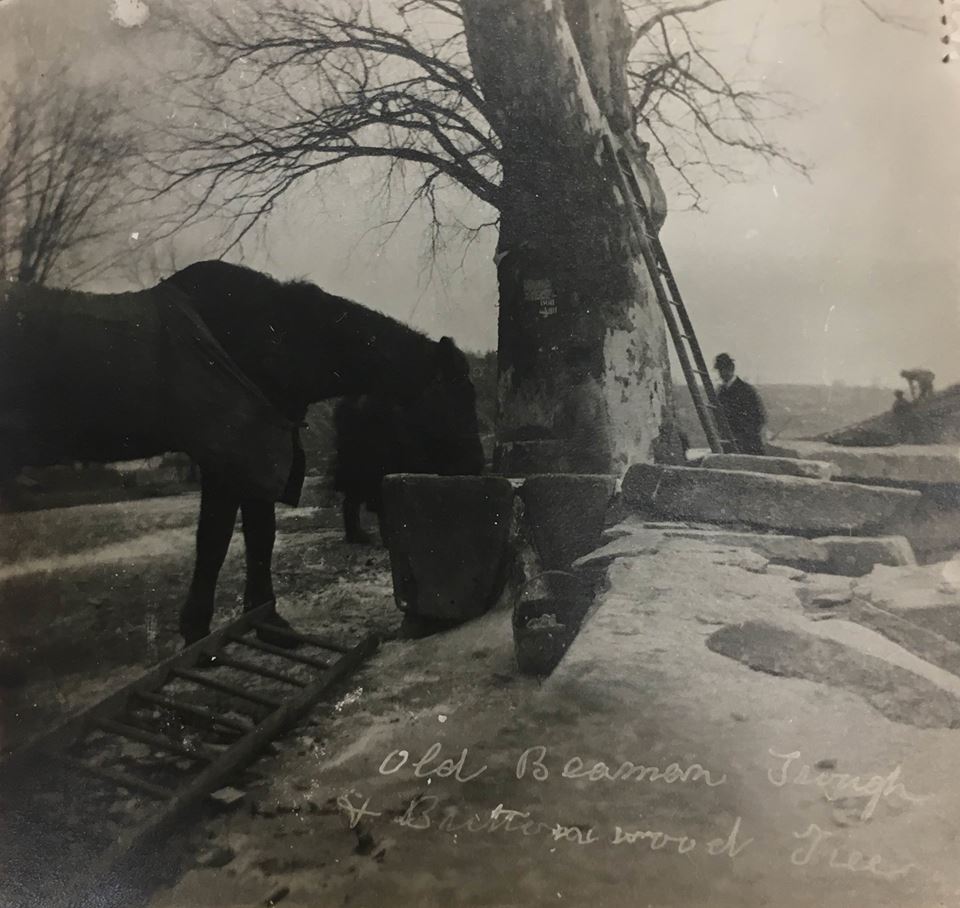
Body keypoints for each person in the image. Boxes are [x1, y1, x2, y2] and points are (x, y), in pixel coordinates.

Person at [714, 353, 766, 455]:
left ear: (732, 368)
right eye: (720, 370)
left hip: (748, 446)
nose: (721, 373)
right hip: (729, 446)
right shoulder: (721, 393)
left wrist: (743, 437)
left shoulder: (747, 390)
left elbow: (758, 418)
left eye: (724, 369)